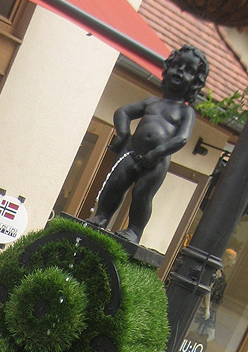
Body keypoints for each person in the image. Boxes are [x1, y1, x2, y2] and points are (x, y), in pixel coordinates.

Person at [89, 45, 208, 244]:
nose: (180, 72)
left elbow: (181, 138)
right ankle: (102, 217)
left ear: (194, 83)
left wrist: (157, 153)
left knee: (142, 193)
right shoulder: (152, 102)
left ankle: (134, 230)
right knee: (114, 184)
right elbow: (123, 112)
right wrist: (123, 134)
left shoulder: (186, 112)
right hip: (132, 150)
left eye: (188, 70)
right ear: (167, 69)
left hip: (157, 160)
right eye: (177, 66)